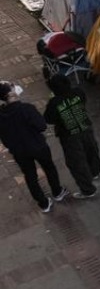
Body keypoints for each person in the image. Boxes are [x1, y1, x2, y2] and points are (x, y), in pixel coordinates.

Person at [0, 81, 67, 212]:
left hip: (19, 151)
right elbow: (42, 126)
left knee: (30, 176)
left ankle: (43, 203)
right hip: (38, 146)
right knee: (49, 167)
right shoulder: (27, 109)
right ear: (11, 93)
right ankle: (57, 192)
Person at [44, 75, 100, 199]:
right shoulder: (78, 92)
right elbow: (84, 102)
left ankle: (88, 189)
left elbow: (49, 119)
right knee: (91, 150)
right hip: (85, 126)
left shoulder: (54, 102)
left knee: (76, 162)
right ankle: (95, 172)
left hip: (69, 135)